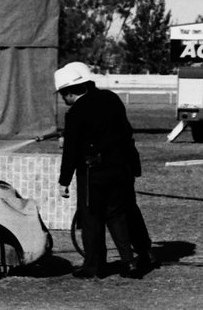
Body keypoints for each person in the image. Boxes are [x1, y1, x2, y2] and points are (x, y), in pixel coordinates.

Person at [55, 61, 153, 279]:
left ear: (70, 91)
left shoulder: (76, 113)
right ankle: (131, 260)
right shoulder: (111, 99)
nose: (63, 99)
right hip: (121, 167)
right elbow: (125, 132)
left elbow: (71, 151)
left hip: (93, 171)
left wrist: (64, 181)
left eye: (63, 94)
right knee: (119, 214)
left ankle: (94, 265)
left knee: (91, 219)